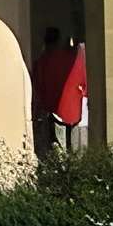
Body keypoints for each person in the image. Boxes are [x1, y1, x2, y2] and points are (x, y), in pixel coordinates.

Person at [31, 26, 88, 160]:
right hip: (73, 108)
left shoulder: (43, 60)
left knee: (58, 148)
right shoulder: (71, 57)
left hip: (53, 109)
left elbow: (39, 84)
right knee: (75, 148)